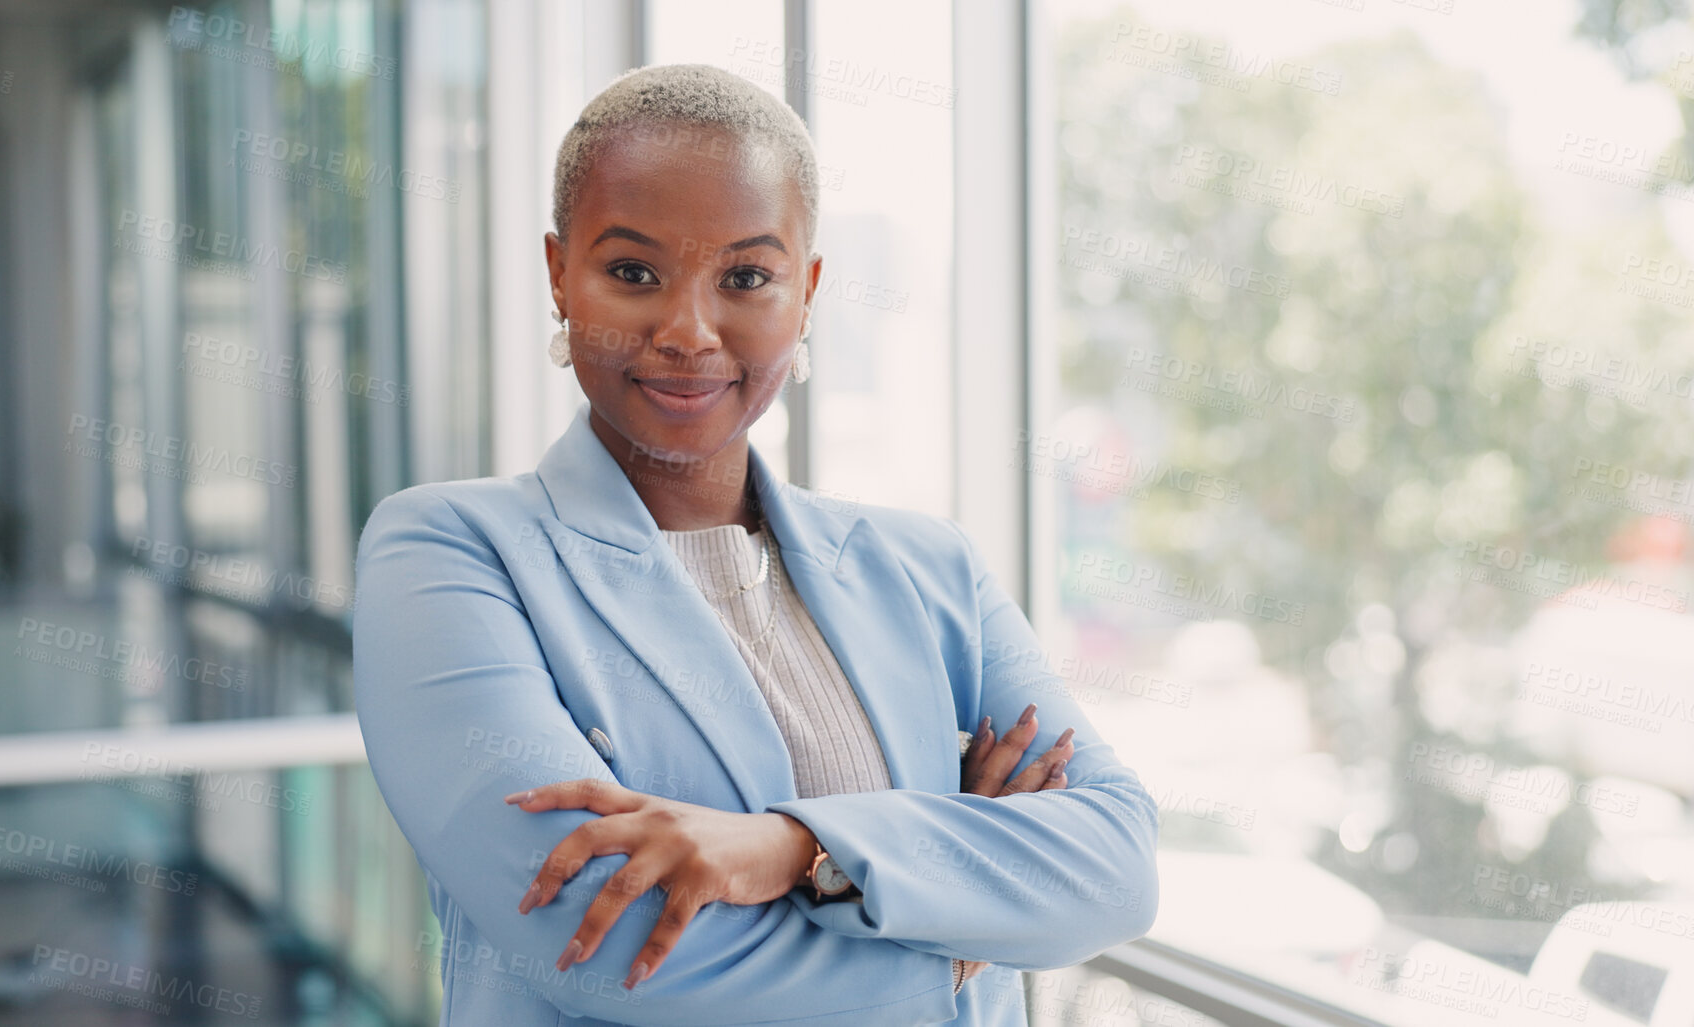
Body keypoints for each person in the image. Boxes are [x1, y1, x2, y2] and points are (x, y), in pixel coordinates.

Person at [353, 63, 1158, 1026]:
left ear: (806, 290)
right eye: (633, 272)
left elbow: (1115, 864)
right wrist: (961, 943)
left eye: (745, 277)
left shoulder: (929, 567)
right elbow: (601, 942)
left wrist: (791, 850)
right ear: (559, 274)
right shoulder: (449, 554)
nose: (689, 331)